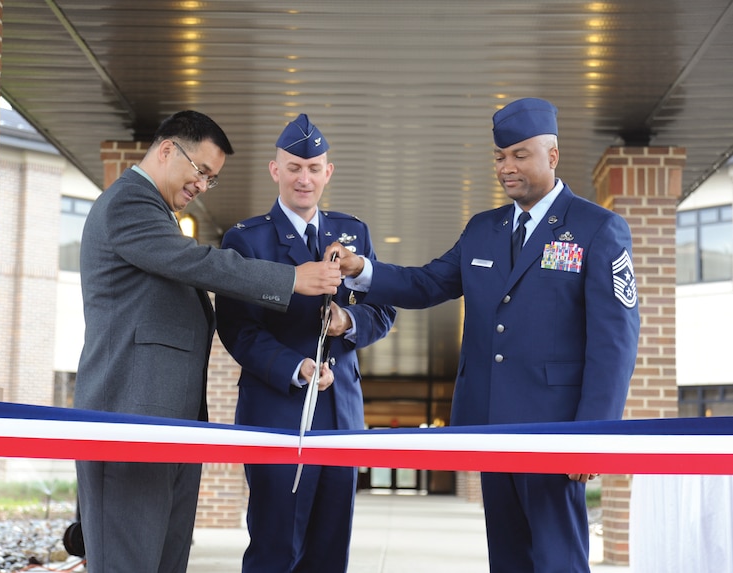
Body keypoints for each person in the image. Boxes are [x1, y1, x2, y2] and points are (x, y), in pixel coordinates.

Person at [329, 98, 640, 573]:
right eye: (499, 157)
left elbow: (614, 341)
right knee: (508, 556)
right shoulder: (483, 230)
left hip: (556, 429)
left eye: (519, 155)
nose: (506, 167)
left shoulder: (597, 228)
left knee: (558, 557)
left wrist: (592, 432)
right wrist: (363, 270)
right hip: (492, 423)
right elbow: (428, 282)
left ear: (552, 156)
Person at [73, 110, 342, 573]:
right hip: (130, 421)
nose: (201, 186)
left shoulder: (157, 214)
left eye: (211, 180)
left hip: (169, 427)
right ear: (165, 149)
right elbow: (199, 264)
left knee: (164, 562)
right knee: (128, 563)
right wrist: (289, 278)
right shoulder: (129, 204)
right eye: (201, 171)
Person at [215, 113, 396, 573]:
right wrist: (296, 367)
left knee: (330, 553)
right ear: (275, 170)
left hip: (342, 417)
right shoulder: (247, 239)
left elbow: (383, 309)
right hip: (278, 410)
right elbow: (237, 327)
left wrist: (347, 321)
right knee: (277, 550)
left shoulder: (355, 233)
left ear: (328, 172)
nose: (304, 177)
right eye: (294, 167)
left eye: (314, 168)